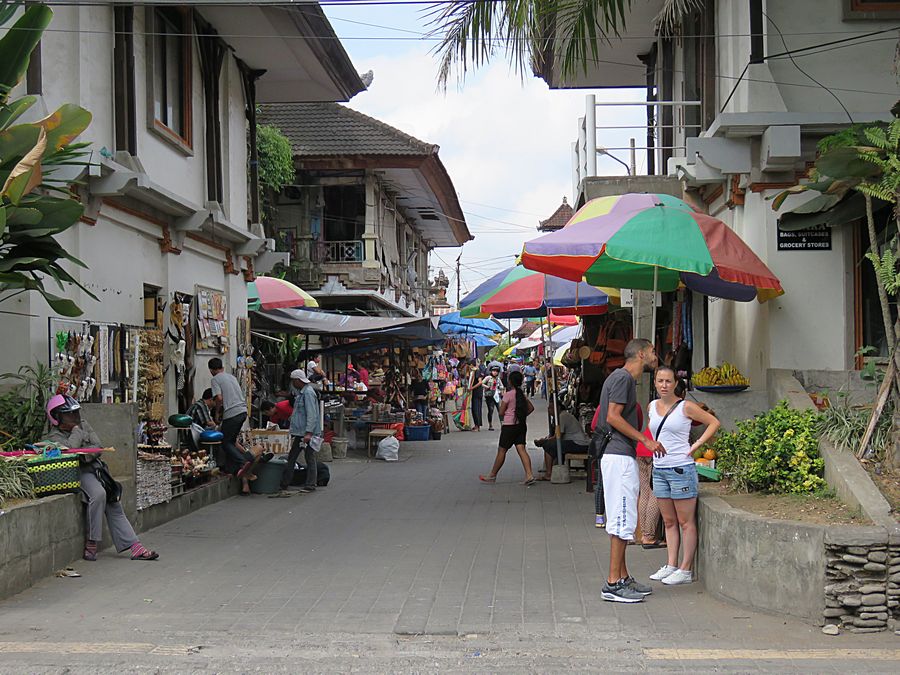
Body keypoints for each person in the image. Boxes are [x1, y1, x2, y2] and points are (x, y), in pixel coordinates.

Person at [43, 395, 158, 562]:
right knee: (98, 494)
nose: (75, 418)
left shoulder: (83, 424)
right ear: (56, 417)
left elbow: (97, 447)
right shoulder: (53, 437)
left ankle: (136, 547)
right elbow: (68, 453)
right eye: (69, 414)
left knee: (113, 501)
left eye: (75, 413)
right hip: (75, 473)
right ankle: (92, 541)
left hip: (95, 469)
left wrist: (82, 451)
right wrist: (77, 435)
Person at [597, 338, 660, 603]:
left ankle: (622, 577)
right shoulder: (623, 379)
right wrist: (644, 438)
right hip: (619, 456)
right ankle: (613, 583)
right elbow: (613, 416)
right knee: (622, 520)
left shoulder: (620, 378)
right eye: (653, 352)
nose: (656, 356)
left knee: (620, 518)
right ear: (642, 354)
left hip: (618, 456)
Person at [648, 366, 720, 586]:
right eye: (660, 381)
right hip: (659, 469)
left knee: (685, 522)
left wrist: (697, 444)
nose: (664, 385)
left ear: (675, 383)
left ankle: (685, 568)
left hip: (681, 468)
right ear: (655, 383)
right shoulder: (651, 406)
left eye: (668, 381)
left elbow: (713, 422)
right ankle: (671, 564)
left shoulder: (685, 406)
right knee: (669, 521)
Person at [478, 370, 536, 485]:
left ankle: (492, 475)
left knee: (502, 450)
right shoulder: (521, 395)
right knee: (522, 450)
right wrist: (521, 415)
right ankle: (529, 475)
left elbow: (501, 411)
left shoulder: (508, 395)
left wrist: (508, 413)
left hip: (509, 426)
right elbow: (531, 408)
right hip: (521, 425)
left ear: (510, 382)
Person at [209, 357, 256, 483]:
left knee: (225, 442)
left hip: (232, 413)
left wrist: (218, 413)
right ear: (222, 368)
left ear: (211, 370)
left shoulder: (215, 379)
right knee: (231, 440)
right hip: (242, 411)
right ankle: (232, 469)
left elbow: (219, 398)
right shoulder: (232, 377)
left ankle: (243, 462)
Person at [282, 369, 322, 493]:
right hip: (301, 432)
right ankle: (285, 482)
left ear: (298, 380)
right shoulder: (302, 393)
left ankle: (310, 483)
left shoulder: (308, 393)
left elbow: (312, 414)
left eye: (293, 381)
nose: (292, 384)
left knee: (308, 457)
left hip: (306, 432)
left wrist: (309, 432)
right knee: (294, 456)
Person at [535, 403, 590, 479]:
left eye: (551, 408)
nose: (549, 410)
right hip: (578, 442)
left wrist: (544, 441)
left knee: (548, 446)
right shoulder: (561, 416)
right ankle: (554, 468)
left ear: (558, 408)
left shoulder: (562, 416)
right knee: (552, 445)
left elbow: (558, 436)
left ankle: (549, 474)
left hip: (579, 443)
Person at [480, 365, 504, 431]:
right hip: (489, 396)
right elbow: (481, 383)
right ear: (491, 371)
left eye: (496, 371)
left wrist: (500, 388)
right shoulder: (488, 378)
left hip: (496, 396)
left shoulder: (498, 379)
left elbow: (502, 386)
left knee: (500, 410)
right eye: (493, 371)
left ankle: (502, 424)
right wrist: (487, 387)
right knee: (491, 410)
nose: (495, 372)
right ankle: (490, 425)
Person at [469, 359, 487, 432]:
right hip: (478, 391)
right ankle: (477, 425)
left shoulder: (476, 371)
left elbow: (480, 382)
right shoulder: (477, 371)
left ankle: (477, 425)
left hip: (476, 392)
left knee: (475, 408)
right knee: (478, 408)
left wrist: (471, 388)